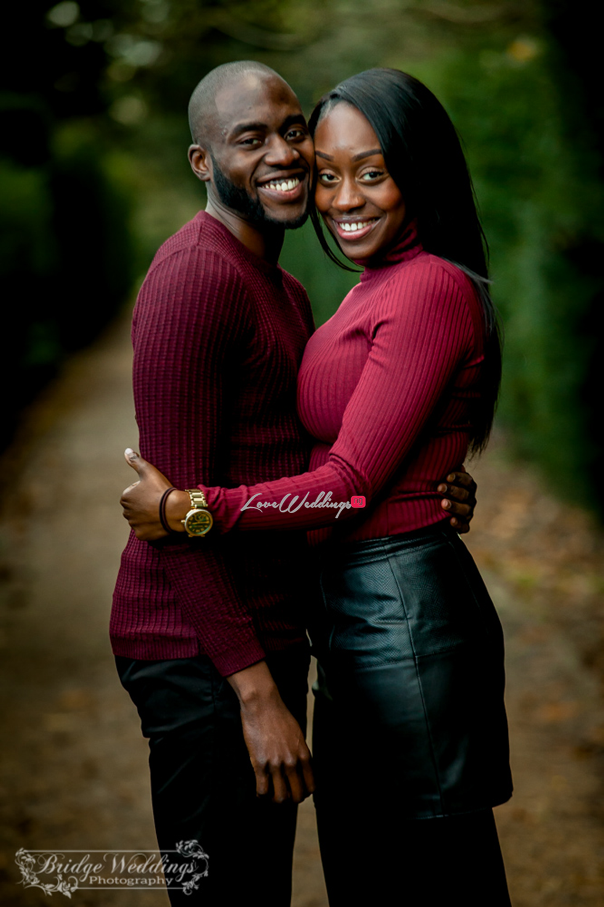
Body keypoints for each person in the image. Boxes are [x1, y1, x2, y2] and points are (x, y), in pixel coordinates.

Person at [122, 68, 513, 906]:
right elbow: (327, 460)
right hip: (260, 637)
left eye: (369, 171)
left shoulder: (351, 288)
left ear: (419, 172)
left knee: (416, 870)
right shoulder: (216, 278)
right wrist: (254, 688)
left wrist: (191, 510)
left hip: (373, 619)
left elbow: (340, 473)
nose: (335, 192)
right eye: (331, 172)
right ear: (202, 160)